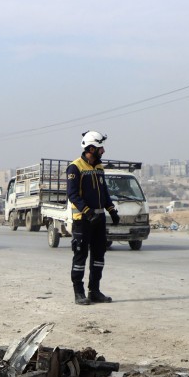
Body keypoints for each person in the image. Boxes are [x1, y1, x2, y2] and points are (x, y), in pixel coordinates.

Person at [67, 130, 119, 305]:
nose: (103, 151)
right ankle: (79, 293)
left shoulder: (99, 168)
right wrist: (88, 213)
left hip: (99, 220)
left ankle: (94, 291)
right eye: (100, 148)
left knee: (99, 256)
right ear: (90, 148)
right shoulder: (75, 167)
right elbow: (73, 195)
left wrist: (111, 210)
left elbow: (104, 192)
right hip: (83, 221)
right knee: (80, 256)